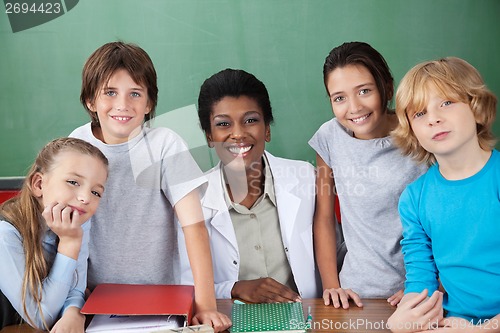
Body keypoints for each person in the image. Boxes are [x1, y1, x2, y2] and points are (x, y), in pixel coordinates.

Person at [70, 41, 230, 331]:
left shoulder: (165, 144)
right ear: (90, 101)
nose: (122, 104)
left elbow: (194, 226)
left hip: (163, 298)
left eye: (135, 93)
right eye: (110, 92)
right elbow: (69, 230)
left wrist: (206, 305)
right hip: (95, 299)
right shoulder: (76, 146)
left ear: (149, 104)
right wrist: (73, 304)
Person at [178, 68, 320, 303]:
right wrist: (234, 288)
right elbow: (185, 285)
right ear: (209, 137)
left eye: (251, 120)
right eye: (223, 124)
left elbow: (335, 255)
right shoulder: (193, 199)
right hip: (229, 322)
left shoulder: (305, 177)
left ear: (267, 129)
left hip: (306, 319)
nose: (238, 134)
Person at [308, 41, 427, 308]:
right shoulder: (329, 137)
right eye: (339, 98)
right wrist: (332, 285)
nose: (354, 107)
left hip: (417, 292)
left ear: (387, 87)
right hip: (355, 294)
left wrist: (429, 285)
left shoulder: (420, 133)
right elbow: (325, 217)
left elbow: (446, 220)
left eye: (364, 91)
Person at [387, 57, 500, 332]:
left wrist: (486, 329)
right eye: (419, 113)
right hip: (452, 322)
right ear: (411, 129)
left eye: (446, 103)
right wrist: (401, 321)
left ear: (476, 107)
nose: (434, 118)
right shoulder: (414, 198)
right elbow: (420, 279)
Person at [0, 137, 108, 332]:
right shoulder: (5, 235)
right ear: (39, 184)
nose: (85, 198)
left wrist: (74, 312)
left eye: (96, 192)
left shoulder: (76, 219)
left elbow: (76, 286)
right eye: (73, 182)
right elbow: (41, 317)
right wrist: (69, 244)